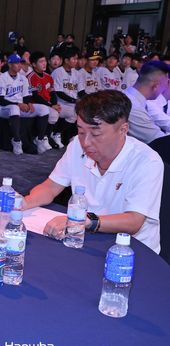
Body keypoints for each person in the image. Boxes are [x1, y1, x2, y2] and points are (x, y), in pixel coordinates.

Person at [22, 90, 163, 253]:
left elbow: (133, 221)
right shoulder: (76, 145)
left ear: (123, 130)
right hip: (84, 237)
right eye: (81, 131)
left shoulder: (146, 161)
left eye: (96, 134)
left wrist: (85, 220)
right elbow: (51, 187)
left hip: (131, 250)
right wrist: (25, 202)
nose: (86, 142)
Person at [0, 54, 47, 154]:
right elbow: (1, 100)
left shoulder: (23, 78)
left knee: (44, 109)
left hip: (19, 108)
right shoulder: (1, 78)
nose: (19, 65)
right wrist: (19, 104)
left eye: (20, 63)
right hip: (3, 109)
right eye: (16, 63)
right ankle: (17, 141)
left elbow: (26, 96)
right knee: (14, 108)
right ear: (10, 65)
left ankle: (40, 139)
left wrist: (29, 103)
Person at [124, 61, 170, 144]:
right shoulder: (134, 106)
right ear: (155, 86)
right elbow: (159, 140)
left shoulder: (131, 97)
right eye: (165, 85)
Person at [27, 52, 59, 151]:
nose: (44, 63)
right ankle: (40, 137)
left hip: (47, 104)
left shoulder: (48, 76)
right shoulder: (31, 77)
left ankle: (45, 136)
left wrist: (54, 104)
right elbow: (35, 96)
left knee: (55, 114)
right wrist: (50, 105)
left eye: (44, 61)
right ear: (33, 64)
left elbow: (52, 92)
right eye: (41, 62)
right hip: (35, 104)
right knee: (50, 112)